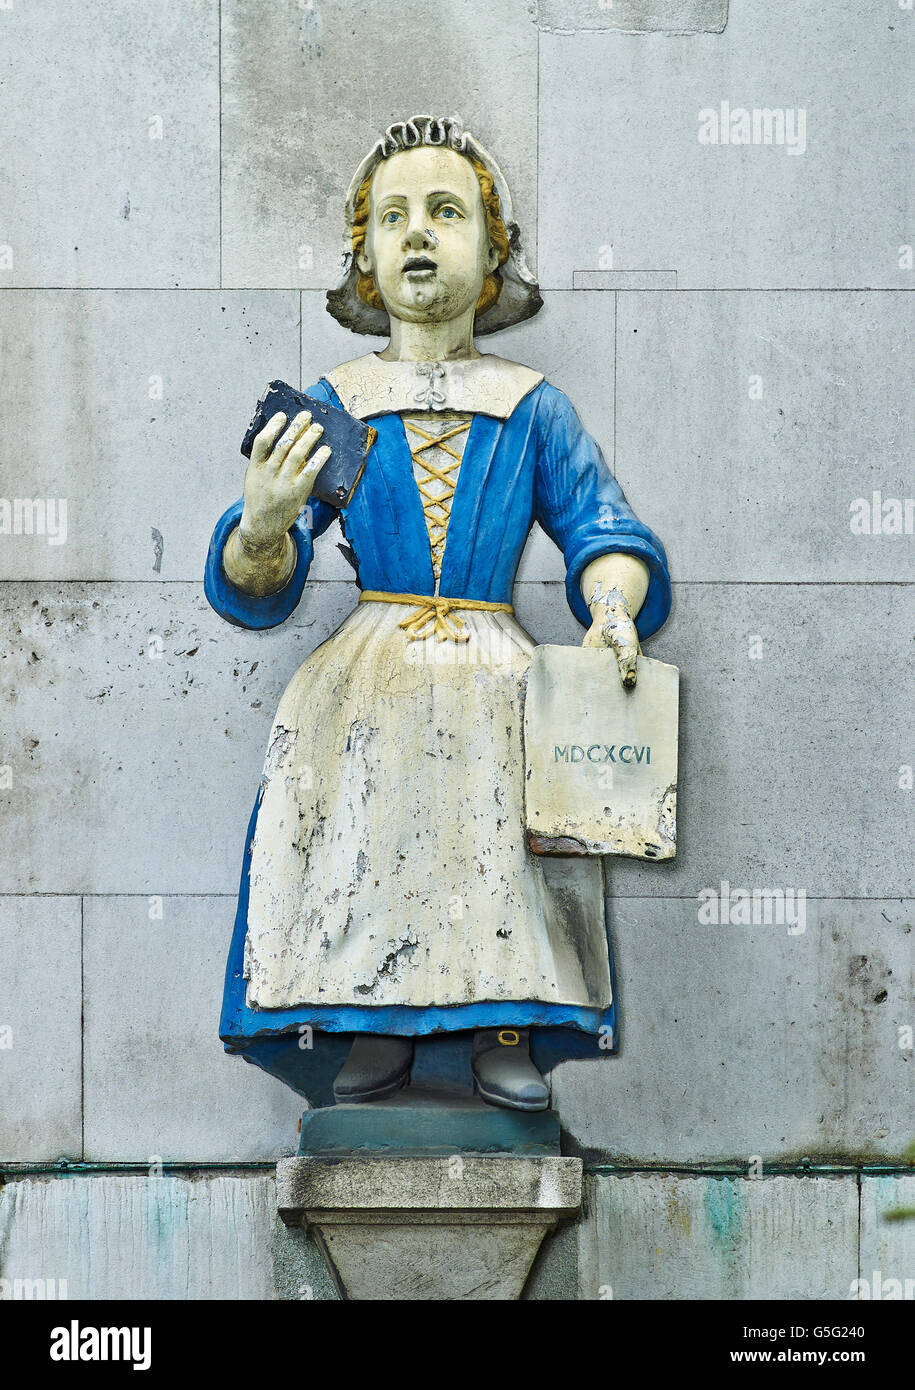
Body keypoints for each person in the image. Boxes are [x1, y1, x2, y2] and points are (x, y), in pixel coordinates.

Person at [206, 115, 670, 1112]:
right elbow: (257, 577)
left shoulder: (533, 404)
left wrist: (612, 606)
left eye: (446, 212)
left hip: (495, 660)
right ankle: (373, 1024)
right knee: (368, 835)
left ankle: (502, 1021)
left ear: (494, 252)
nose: (419, 233)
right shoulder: (338, 401)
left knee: (500, 840)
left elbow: (603, 529)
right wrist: (264, 524)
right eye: (395, 217)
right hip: (369, 665)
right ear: (364, 258)